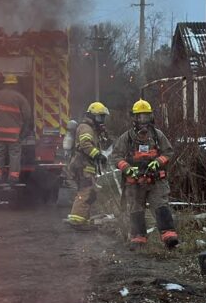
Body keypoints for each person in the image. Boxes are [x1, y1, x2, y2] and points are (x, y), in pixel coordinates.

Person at [112, 99, 179, 249]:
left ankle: (169, 237)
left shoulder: (157, 135)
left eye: (146, 116)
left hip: (155, 180)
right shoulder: (127, 138)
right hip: (135, 182)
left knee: (161, 205)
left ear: (151, 117)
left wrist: (158, 162)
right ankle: (138, 238)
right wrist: (127, 168)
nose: (143, 120)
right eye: (140, 117)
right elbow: (116, 156)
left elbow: (168, 152)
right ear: (134, 118)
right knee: (136, 208)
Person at [66, 102, 110, 229]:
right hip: (82, 165)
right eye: (99, 117)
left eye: (103, 117)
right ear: (92, 116)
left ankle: (82, 219)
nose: (101, 120)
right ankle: (77, 221)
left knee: (89, 192)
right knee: (85, 192)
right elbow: (86, 145)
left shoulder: (92, 128)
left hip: (85, 166)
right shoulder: (86, 128)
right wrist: (98, 156)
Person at [0, 74, 32, 184]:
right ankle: (13, 177)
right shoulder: (20, 98)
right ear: (15, 85)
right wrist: (24, 131)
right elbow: (27, 115)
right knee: (14, 155)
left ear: (5, 84)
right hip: (14, 135)